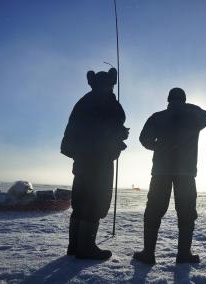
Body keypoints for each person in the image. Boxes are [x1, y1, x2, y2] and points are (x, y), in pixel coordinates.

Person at [133, 87, 206, 264]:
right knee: (186, 212)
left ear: (168, 100)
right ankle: (184, 254)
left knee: (153, 210)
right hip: (186, 173)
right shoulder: (193, 117)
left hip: (161, 171)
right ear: (184, 100)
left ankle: (148, 253)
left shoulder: (157, 117)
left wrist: (158, 147)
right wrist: (186, 106)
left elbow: (143, 139)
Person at [60, 68, 128, 260]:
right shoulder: (106, 102)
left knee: (80, 203)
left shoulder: (83, 102)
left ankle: (74, 246)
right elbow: (113, 123)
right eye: (111, 84)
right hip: (98, 161)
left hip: (81, 161)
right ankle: (86, 248)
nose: (112, 88)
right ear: (108, 84)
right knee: (94, 202)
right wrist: (120, 134)